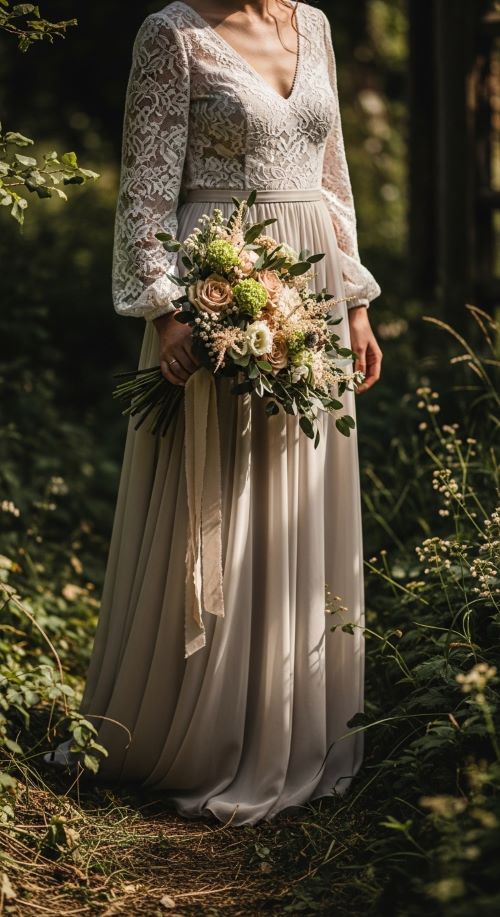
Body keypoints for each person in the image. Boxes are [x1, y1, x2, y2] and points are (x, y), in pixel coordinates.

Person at [45, 0, 383, 826]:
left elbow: (331, 177)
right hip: (220, 287)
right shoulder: (170, 34)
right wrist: (169, 313)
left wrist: (358, 304)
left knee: (296, 494)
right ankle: (197, 726)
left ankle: (294, 722)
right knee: (220, 497)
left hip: (313, 288)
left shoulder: (315, 24)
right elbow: (146, 193)